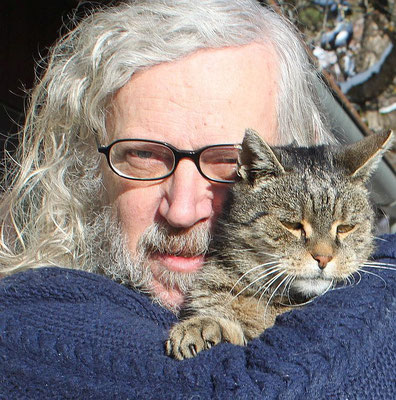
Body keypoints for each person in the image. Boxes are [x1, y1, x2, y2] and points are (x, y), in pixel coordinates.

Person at [0, 0, 394, 398]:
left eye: (227, 162)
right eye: (144, 155)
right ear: (85, 167)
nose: (182, 210)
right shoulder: (24, 327)